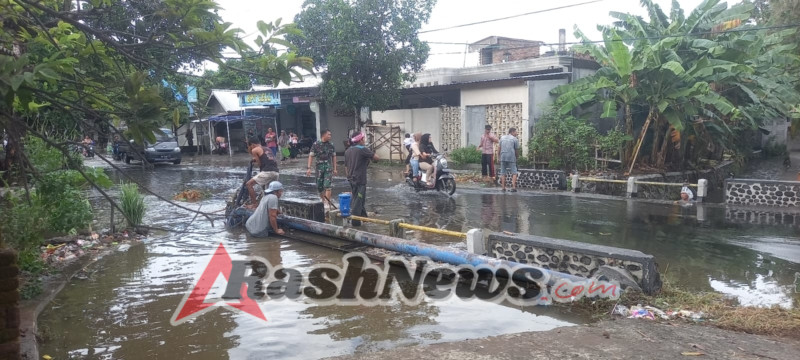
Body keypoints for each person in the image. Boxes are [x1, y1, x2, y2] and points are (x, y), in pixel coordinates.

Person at [344, 132, 379, 226]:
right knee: (358, 201)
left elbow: (346, 166)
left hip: (351, 179)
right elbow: (377, 158)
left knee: (359, 199)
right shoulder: (362, 149)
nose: (364, 140)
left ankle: (364, 219)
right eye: (364, 138)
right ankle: (355, 223)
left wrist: (348, 177)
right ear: (360, 140)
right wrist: (370, 153)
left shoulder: (348, 151)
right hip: (360, 180)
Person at [307, 129, 338, 209]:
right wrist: (309, 168)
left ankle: (327, 203)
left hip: (328, 168)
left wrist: (335, 168)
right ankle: (323, 200)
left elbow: (334, 156)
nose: (330, 136)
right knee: (319, 186)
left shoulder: (331, 144)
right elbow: (311, 156)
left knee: (327, 185)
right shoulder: (316, 144)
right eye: (329, 134)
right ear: (324, 135)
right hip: (319, 168)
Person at [245, 142, 280, 209]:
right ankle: (273, 207)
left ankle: (254, 204)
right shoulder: (267, 148)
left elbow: (259, 164)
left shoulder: (254, 150)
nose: (249, 150)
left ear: (252, 145)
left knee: (249, 184)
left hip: (268, 171)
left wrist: (255, 160)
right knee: (269, 191)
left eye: (249, 147)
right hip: (276, 172)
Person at [498, 128, 520, 192]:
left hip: (503, 156)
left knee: (503, 173)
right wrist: (517, 157)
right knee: (514, 172)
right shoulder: (515, 139)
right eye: (515, 132)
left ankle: (503, 188)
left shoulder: (502, 138)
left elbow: (499, 148)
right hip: (511, 156)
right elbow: (516, 150)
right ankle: (513, 187)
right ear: (512, 132)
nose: (516, 133)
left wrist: (498, 157)